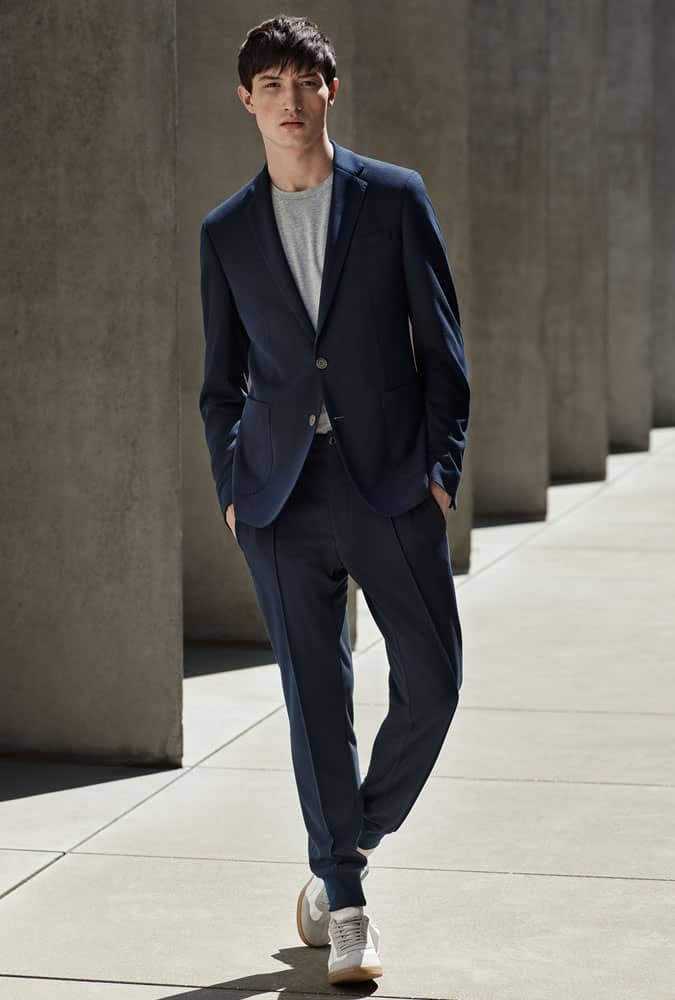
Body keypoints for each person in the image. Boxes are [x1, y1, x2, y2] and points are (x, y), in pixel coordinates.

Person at [198, 13, 470, 985]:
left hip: (392, 481)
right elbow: (219, 382)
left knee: (433, 684)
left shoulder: (393, 199)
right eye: (270, 84)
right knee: (317, 701)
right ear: (246, 101)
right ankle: (344, 902)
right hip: (278, 495)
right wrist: (234, 487)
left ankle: (345, 841)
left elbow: (443, 350)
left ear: (331, 90)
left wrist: (442, 468)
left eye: (304, 81)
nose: (288, 100)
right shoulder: (226, 231)